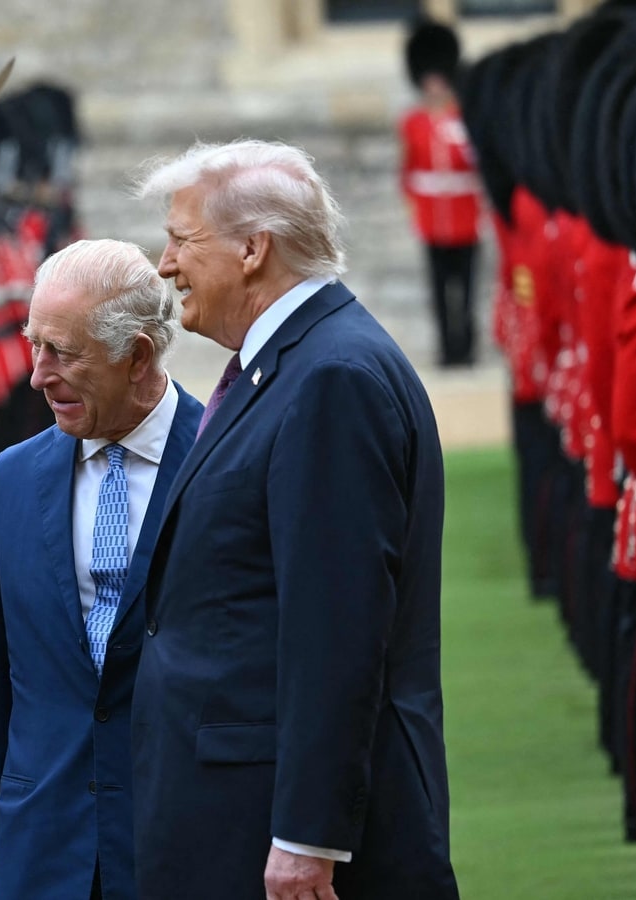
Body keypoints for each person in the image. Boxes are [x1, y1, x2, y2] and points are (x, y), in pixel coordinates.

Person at [131, 140, 457, 900]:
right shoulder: (287, 366)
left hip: (291, 832)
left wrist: (309, 836)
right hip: (243, 806)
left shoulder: (329, 378)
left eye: (181, 239)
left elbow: (336, 627)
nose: (165, 263)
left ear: (253, 249)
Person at [0, 239, 204, 900]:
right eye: (33, 343)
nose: (38, 375)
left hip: (183, 843)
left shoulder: (227, 462)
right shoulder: (10, 480)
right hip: (41, 849)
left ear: (139, 357)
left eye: (62, 353)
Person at [399, 18, 482, 368]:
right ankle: (447, 348)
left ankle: (467, 346)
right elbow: (409, 171)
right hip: (433, 220)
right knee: (439, 291)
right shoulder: (412, 122)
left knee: (466, 289)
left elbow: (474, 165)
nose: (434, 86)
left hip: (465, 218)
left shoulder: (464, 118)